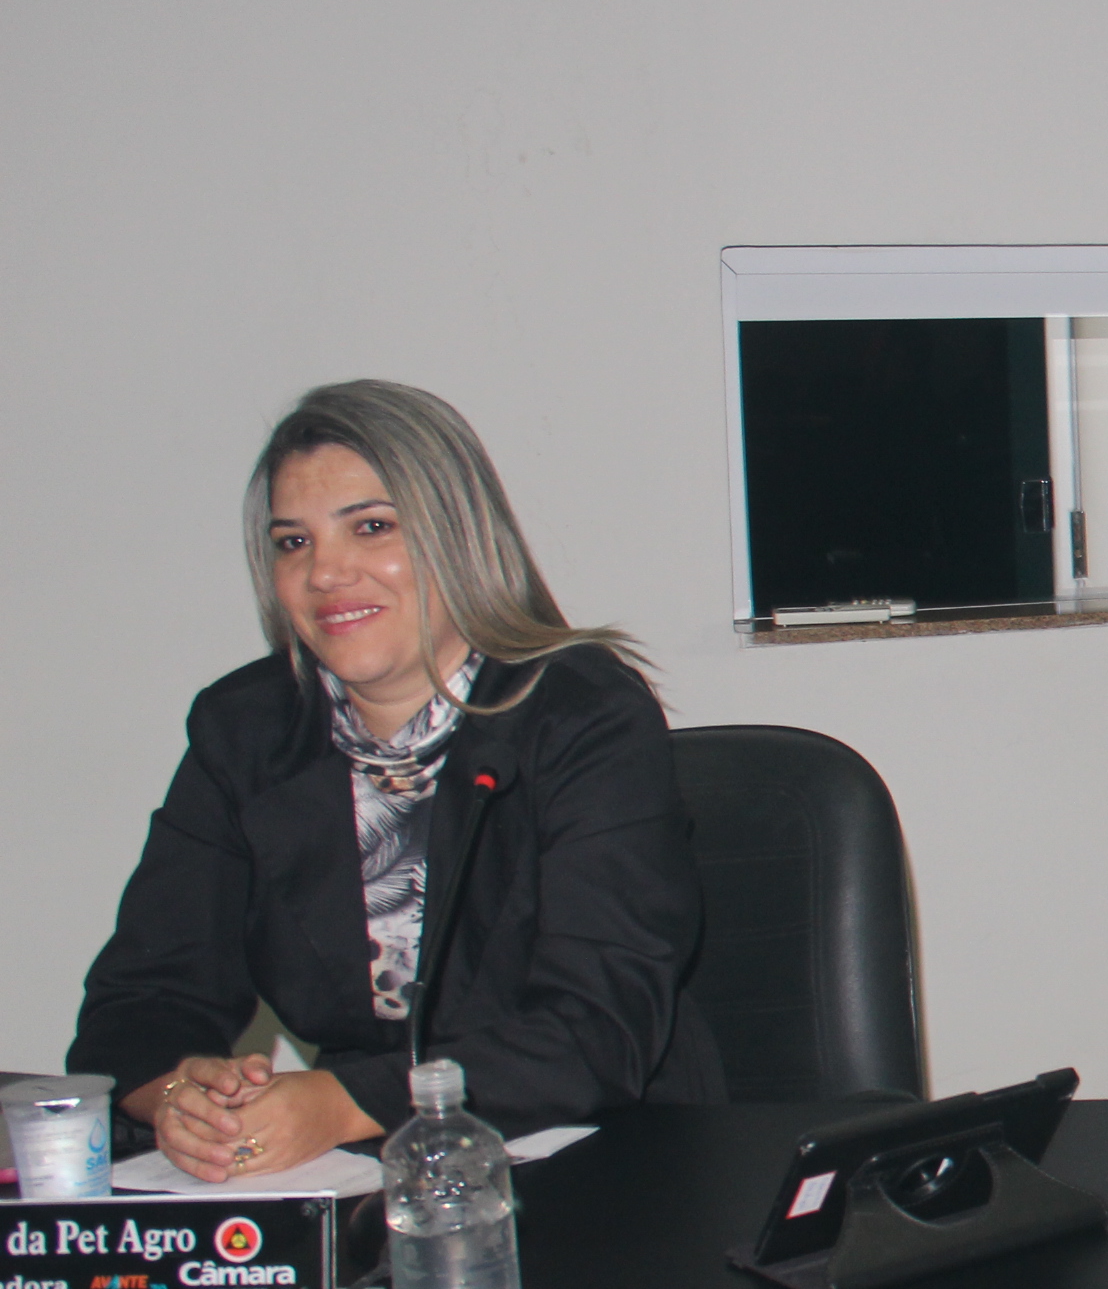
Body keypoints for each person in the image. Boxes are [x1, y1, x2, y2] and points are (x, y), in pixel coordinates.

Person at [70, 380, 726, 1178]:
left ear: (458, 536)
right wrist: (184, 1097)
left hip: (608, 1162)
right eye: (293, 542)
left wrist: (341, 1102)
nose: (325, 572)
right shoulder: (245, 731)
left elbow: (598, 1031)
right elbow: (137, 1005)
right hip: (364, 1174)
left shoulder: (583, 713)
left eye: (371, 527)